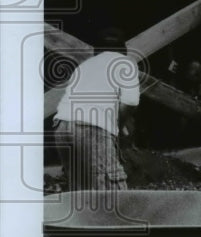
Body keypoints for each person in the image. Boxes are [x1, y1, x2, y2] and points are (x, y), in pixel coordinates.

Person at [53, 27, 140, 192]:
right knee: (113, 192)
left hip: (62, 127)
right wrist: (118, 127)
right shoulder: (126, 63)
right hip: (91, 128)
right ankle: (119, 218)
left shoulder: (85, 66)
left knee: (81, 191)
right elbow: (130, 102)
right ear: (123, 50)